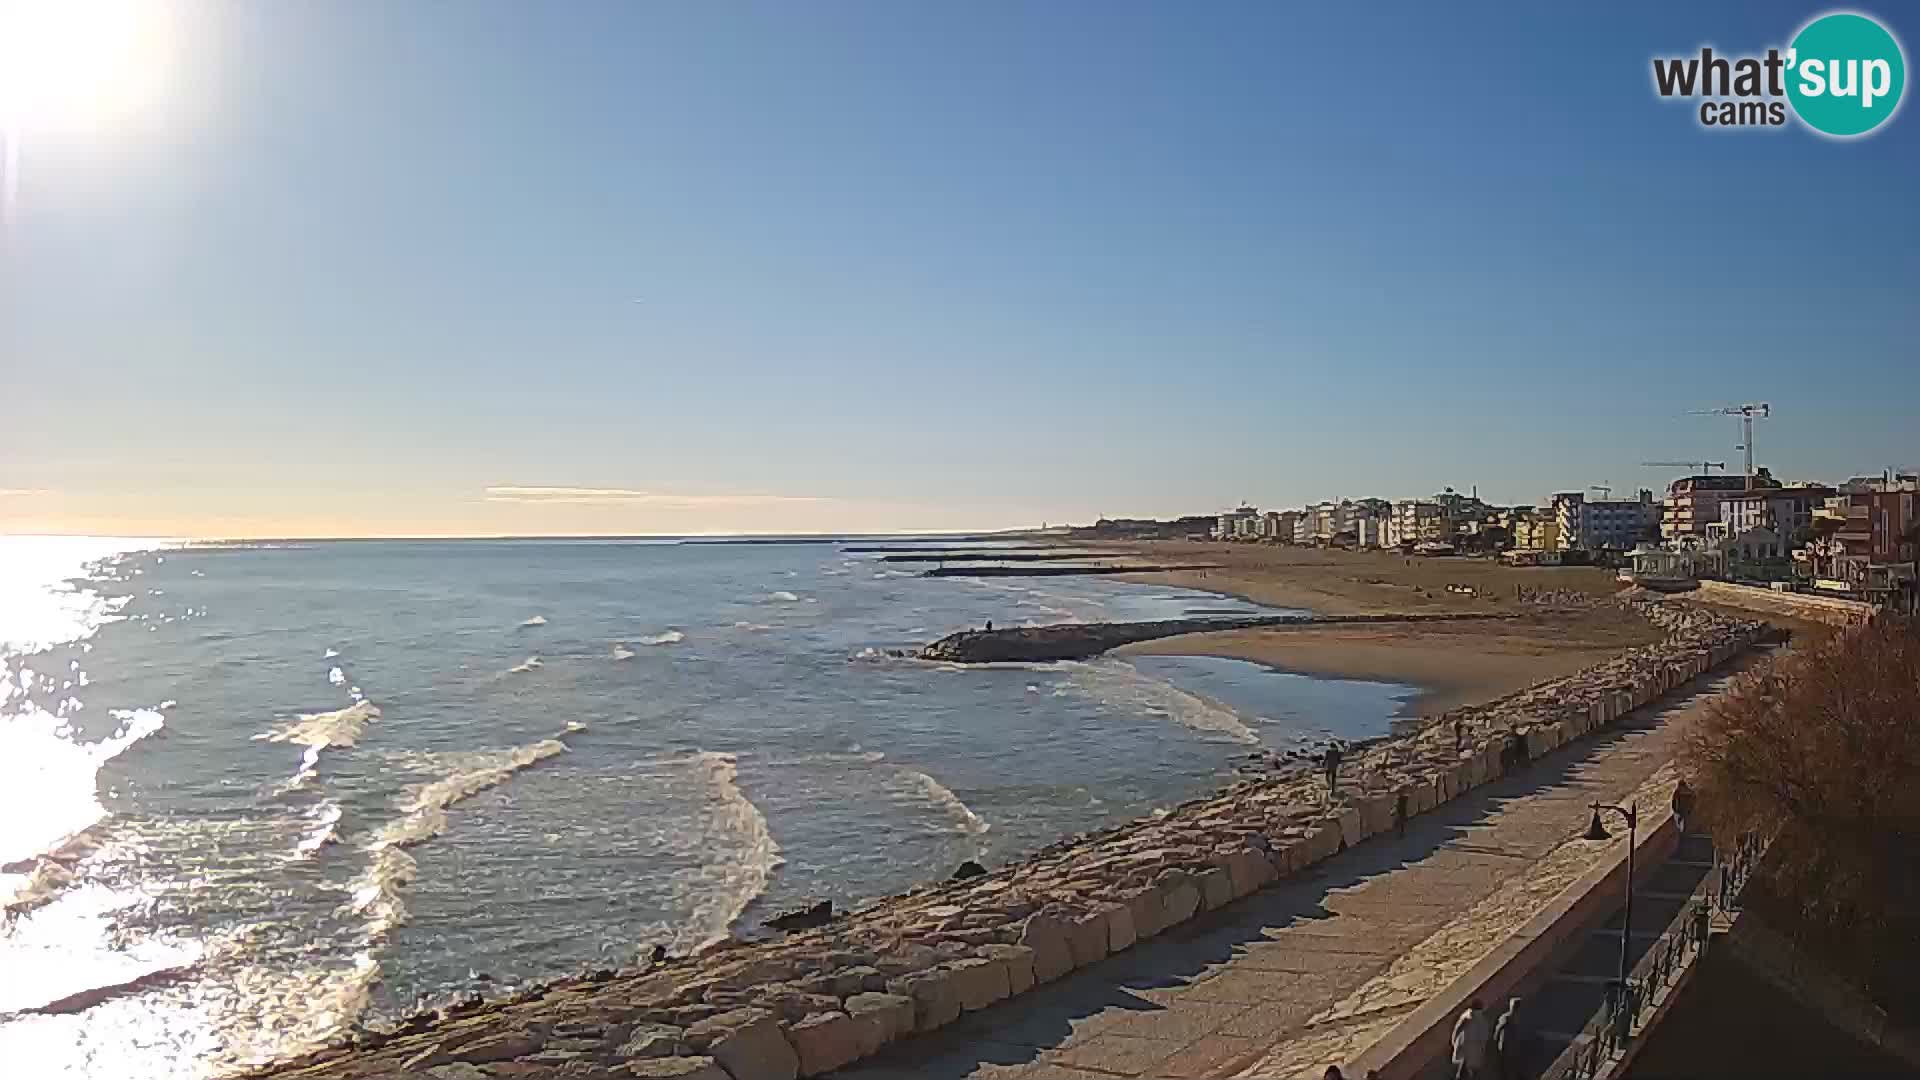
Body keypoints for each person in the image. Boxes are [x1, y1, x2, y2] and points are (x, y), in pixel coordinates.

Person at [1451, 998, 1493, 1080]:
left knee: (1463, 1067)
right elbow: (1485, 1034)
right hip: (1472, 1047)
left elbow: (1457, 1028)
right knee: (1468, 1068)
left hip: (1466, 1045)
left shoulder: (1467, 1016)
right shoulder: (1481, 1018)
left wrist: (1454, 1040)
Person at [1492, 996, 1523, 1080]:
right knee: (1505, 1065)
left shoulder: (1512, 1017)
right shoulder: (1506, 1018)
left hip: (1511, 1045)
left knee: (1510, 1064)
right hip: (1505, 1046)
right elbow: (1498, 1029)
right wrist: (1495, 1039)